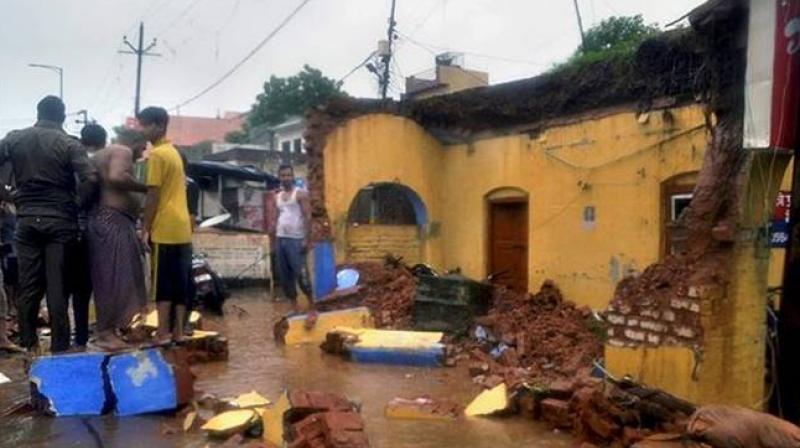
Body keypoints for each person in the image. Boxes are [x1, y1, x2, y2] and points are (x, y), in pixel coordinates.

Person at [0, 96, 95, 353]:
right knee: (57, 287)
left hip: (27, 219)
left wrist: (8, 196)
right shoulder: (69, 143)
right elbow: (89, 178)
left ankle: (29, 346)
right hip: (60, 221)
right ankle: (59, 348)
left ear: (38, 112)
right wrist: (76, 204)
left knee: (28, 286)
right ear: (62, 116)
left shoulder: (14, 139)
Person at [138, 106, 193, 344]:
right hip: (182, 228)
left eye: (146, 125)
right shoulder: (175, 153)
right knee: (180, 283)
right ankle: (178, 332)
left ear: (159, 126)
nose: (143, 129)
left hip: (165, 227)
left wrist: (145, 227)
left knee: (162, 284)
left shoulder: (158, 155)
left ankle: (162, 332)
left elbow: (153, 194)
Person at [87, 141, 148, 351]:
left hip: (109, 220)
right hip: (111, 220)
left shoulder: (101, 154)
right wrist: (147, 187)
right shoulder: (123, 151)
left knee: (115, 278)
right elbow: (116, 177)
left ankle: (113, 329)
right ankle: (106, 333)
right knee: (114, 279)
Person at [70, 123, 107, 349]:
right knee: (101, 285)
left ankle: (79, 336)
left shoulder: (73, 161)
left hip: (72, 230)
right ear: (102, 141)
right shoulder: (99, 162)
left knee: (77, 289)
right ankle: (104, 331)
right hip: (97, 230)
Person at [271, 165, 312, 309]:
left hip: (296, 239)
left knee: (301, 274)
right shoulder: (278, 197)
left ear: (293, 176)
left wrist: (306, 239)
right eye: (283, 175)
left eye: (288, 175)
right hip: (280, 238)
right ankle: (294, 307)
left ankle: (312, 305)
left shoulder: (300, 194)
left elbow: (307, 217)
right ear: (279, 177)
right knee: (284, 276)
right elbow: (275, 219)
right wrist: (272, 242)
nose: (286, 178)